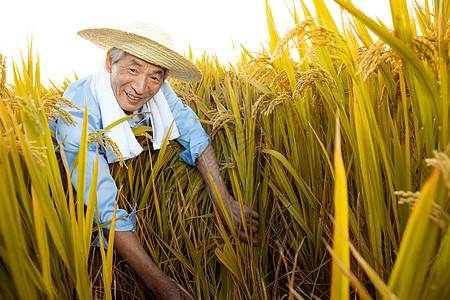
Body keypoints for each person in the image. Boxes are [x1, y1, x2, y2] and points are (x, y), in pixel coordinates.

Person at [54, 22, 260, 299]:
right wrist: (162, 286)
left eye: (155, 75)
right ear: (110, 61)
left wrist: (224, 201)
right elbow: (105, 208)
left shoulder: (159, 91)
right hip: (67, 184)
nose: (141, 87)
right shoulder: (76, 111)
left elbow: (193, 135)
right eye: (133, 68)